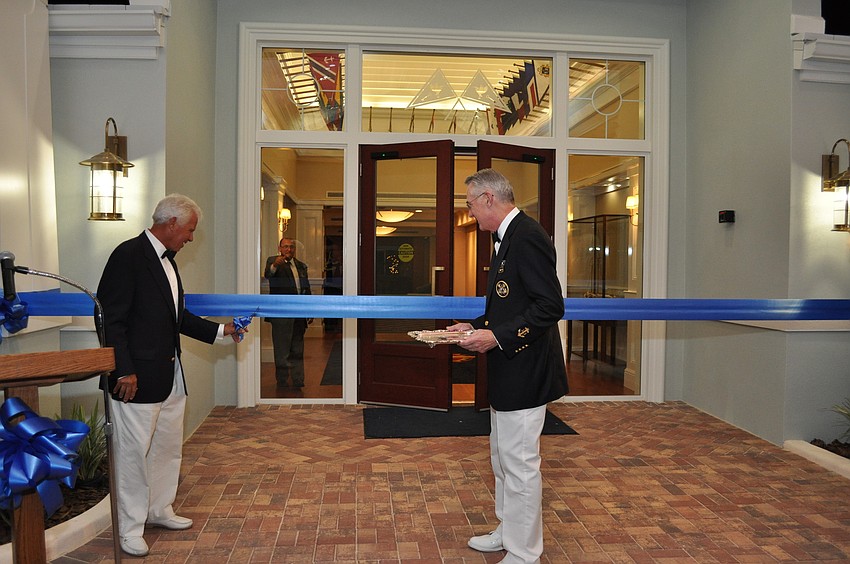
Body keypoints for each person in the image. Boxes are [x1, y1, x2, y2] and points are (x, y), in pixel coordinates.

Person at [96, 193, 245, 556]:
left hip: (170, 374)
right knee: (133, 455)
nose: (191, 238)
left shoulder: (169, 262)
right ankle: (130, 528)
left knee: (166, 448)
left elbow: (176, 317)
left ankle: (159, 509)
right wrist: (123, 370)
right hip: (135, 379)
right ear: (172, 223)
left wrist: (221, 331)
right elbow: (109, 319)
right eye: (190, 230)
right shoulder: (128, 255)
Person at [448, 168, 568, 564]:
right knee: (502, 458)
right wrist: (476, 326)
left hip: (526, 371)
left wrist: (497, 337)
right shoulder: (508, 238)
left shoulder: (528, 236)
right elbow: (511, 305)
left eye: (469, 204)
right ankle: (508, 531)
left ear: (488, 198)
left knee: (519, 464)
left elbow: (550, 306)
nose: (469, 213)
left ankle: (525, 551)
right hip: (509, 371)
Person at [264, 237, 311, 387]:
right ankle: (282, 381)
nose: (288, 250)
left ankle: (298, 380)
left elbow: (306, 289)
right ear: (279, 248)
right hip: (281, 314)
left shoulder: (301, 266)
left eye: (291, 247)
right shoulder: (274, 262)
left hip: (299, 314)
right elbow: (268, 274)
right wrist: (274, 266)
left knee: (297, 349)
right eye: (285, 247)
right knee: (282, 349)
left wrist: (309, 310)